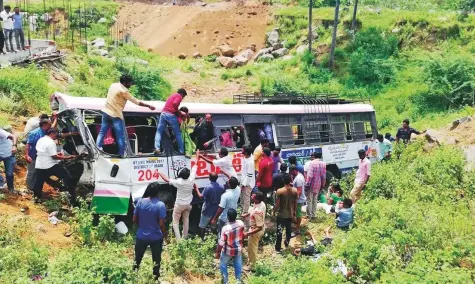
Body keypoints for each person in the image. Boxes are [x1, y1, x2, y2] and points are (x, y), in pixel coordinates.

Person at [97, 75, 155, 157]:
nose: (130, 85)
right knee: (120, 135)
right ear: (124, 83)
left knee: (102, 132)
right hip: (115, 115)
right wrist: (148, 106)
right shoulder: (123, 91)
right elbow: (136, 101)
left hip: (106, 112)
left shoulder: (113, 85)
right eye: (130, 83)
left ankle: (98, 148)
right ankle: (121, 153)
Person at [158, 152, 200, 240]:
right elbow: (195, 164)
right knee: (186, 220)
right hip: (188, 204)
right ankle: (184, 237)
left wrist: (159, 172)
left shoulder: (179, 182)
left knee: (175, 222)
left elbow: (166, 179)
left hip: (179, 205)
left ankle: (178, 240)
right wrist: (197, 155)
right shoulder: (191, 178)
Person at [133, 182, 168, 280]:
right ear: (158, 192)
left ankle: (133, 276)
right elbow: (161, 224)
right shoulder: (160, 205)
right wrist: (166, 235)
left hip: (141, 235)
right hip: (155, 237)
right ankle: (155, 277)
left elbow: (134, 219)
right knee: (156, 259)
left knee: (137, 258)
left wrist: (142, 224)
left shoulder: (140, 202)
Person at [33, 129, 77, 204]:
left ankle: (36, 198)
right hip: (50, 165)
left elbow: (45, 151)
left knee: (39, 182)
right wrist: (68, 157)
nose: (56, 137)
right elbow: (54, 157)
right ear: (52, 133)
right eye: (56, 135)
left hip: (39, 165)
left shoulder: (41, 139)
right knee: (67, 177)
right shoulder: (51, 143)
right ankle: (72, 198)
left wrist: (56, 153)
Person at [216, 208, 245, 284]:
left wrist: (218, 253)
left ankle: (226, 281)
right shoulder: (241, 223)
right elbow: (243, 234)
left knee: (223, 264)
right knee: (238, 264)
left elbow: (221, 243)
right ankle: (238, 280)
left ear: (228, 217)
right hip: (238, 249)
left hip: (228, 250)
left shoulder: (225, 228)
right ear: (236, 216)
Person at [155, 89, 187, 155]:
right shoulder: (178, 96)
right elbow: (175, 103)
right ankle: (181, 150)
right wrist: (179, 112)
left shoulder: (172, 96)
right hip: (170, 115)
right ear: (181, 93)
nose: (182, 98)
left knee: (159, 132)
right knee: (178, 133)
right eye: (183, 96)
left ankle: (157, 148)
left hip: (163, 114)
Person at [241, 191, 266, 272]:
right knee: (251, 248)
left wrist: (247, 233)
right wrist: (247, 214)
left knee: (252, 249)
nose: (252, 197)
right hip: (255, 229)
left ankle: (252, 267)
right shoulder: (262, 204)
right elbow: (253, 210)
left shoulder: (257, 212)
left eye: (253, 197)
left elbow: (259, 227)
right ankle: (250, 261)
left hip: (255, 231)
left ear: (257, 200)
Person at [273, 173, 298, 252]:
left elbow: (277, 204)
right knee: (288, 230)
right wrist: (294, 213)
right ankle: (286, 242)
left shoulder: (279, 191)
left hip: (281, 214)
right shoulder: (294, 190)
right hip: (290, 214)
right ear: (290, 181)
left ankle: (278, 247)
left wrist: (273, 211)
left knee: (279, 231)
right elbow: (295, 203)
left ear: (283, 181)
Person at [197, 172, 225, 239]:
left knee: (202, 226)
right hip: (216, 210)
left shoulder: (208, 187)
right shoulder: (221, 187)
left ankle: (201, 239)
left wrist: (196, 189)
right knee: (214, 225)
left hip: (207, 210)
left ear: (209, 178)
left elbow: (201, 197)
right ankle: (213, 239)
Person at [25, 119, 51, 190]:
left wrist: (55, 119)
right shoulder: (34, 133)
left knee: (36, 172)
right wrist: (27, 155)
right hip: (32, 155)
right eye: (49, 124)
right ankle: (29, 188)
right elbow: (28, 144)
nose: (50, 126)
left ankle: (33, 186)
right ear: (44, 125)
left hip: (40, 156)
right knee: (31, 172)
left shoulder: (46, 132)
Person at [305, 152, 326, 219]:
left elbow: (310, 175)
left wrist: (307, 184)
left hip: (311, 184)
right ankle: (314, 215)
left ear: (314, 156)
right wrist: (322, 185)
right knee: (315, 199)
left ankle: (309, 215)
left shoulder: (312, 163)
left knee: (309, 200)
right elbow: (323, 176)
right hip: (318, 184)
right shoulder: (323, 163)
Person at [240, 145, 255, 228]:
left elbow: (249, 175)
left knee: (246, 199)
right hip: (243, 181)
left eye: (242, 149)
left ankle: (245, 215)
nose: (241, 150)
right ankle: (243, 211)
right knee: (242, 199)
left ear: (245, 152)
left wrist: (243, 185)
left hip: (247, 184)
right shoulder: (245, 158)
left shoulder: (251, 162)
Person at [0, 127, 17, 192]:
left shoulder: (1, 132)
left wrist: (14, 146)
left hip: (9, 153)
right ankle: (1, 182)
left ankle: (11, 188)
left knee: (9, 173)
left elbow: (13, 136)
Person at [290, 165, 305, 235]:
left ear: (294, 171)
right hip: (298, 199)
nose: (290, 173)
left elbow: (299, 191)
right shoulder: (299, 175)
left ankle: (297, 229)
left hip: (298, 199)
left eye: (291, 172)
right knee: (295, 213)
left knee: (298, 214)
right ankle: (296, 225)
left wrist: (294, 200)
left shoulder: (298, 178)